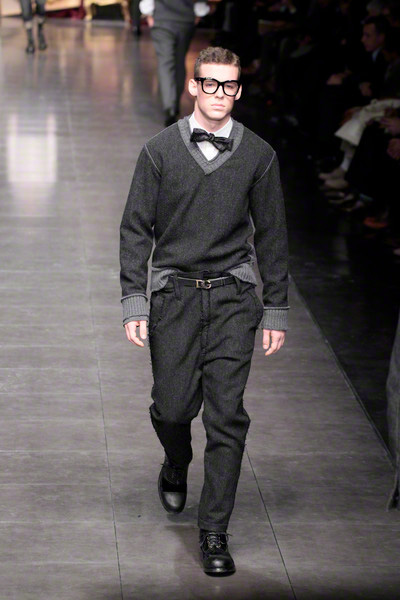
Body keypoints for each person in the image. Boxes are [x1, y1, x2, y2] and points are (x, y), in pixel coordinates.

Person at [120, 46, 289, 575]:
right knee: (173, 408)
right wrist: (134, 299)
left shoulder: (259, 154)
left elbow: (273, 234)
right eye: (210, 83)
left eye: (229, 85)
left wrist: (276, 307)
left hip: (235, 297)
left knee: (226, 418)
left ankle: (214, 531)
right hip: (174, 296)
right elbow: (135, 228)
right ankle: (176, 460)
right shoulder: (159, 151)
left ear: (239, 89)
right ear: (194, 86)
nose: (219, 93)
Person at [139, 0, 211, 126]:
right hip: (185, 19)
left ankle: (170, 107)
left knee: (165, 63)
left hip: (162, 19)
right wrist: (198, 14)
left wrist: (148, 13)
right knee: (179, 61)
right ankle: (175, 104)